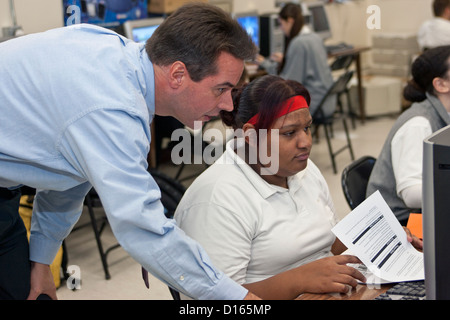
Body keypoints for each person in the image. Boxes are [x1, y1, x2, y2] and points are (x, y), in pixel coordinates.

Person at [0, 3, 259, 300]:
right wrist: (241, 301)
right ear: (177, 74)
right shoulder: (112, 107)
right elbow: (141, 227)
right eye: (220, 89)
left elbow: (72, 175)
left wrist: (41, 260)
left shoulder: (119, 59)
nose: (228, 104)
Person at [174, 75, 368, 300]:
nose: (305, 142)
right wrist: (299, 280)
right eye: (289, 133)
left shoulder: (302, 169)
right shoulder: (216, 200)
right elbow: (217, 298)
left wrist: (373, 236)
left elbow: (325, 243)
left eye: (307, 128)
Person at [366, 46, 450, 226]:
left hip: (426, 213)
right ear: (441, 84)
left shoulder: (444, 113)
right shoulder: (418, 124)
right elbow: (411, 195)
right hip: (401, 225)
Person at [258, 3, 335, 116]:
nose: (281, 28)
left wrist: (265, 63)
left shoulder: (298, 43)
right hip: (327, 101)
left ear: (290, 21)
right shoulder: (315, 37)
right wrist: (287, 59)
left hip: (314, 104)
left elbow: (289, 83)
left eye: (281, 24)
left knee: (266, 105)